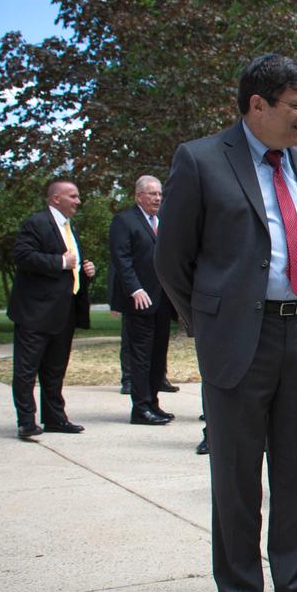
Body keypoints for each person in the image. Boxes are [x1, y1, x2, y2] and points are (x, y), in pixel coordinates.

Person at [156, 53, 297, 592]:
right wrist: (210, 323)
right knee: (237, 476)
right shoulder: (200, 159)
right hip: (241, 339)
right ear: (257, 105)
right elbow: (171, 260)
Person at [8, 180, 96, 439]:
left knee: (55, 368)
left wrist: (84, 269)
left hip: (63, 311)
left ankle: (55, 417)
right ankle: (26, 421)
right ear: (55, 198)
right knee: (27, 369)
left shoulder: (69, 227)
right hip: (35, 312)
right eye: (73, 196)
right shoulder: (36, 223)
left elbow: (71, 266)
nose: (78, 201)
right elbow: (23, 256)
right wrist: (60, 261)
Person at [108, 175, 175, 426]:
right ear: (138, 196)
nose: (157, 198)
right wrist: (134, 289)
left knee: (159, 355)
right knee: (141, 356)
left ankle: (153, 402)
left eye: (159, 193)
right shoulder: (124, 221)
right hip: (139, 301)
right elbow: (122, 260)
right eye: (152, 193)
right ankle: (140, 408)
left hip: (163, 301)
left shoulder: (163, 222)